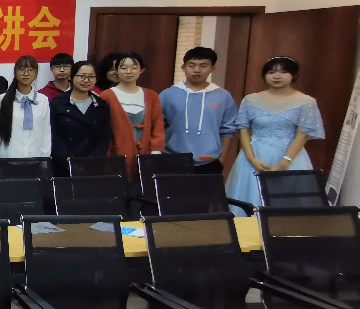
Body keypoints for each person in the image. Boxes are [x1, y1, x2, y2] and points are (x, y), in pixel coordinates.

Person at [226, 56, 325, 213]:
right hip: (254, 158)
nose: (277, 76)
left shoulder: (306, 102)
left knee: (289, 204)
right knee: (250, 201)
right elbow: (243, 130)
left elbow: (303, 135)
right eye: (271, 72)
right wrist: (252, 159)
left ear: (294, 75)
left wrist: (284, 163)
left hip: (290, 159)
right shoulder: (250, 100)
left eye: (283, 72)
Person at [160, 47, 239, 175]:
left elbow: (228, 130)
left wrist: (221, 160)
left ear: (212, 68)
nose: (197, 70)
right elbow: (157, 126)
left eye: (203, 66)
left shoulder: (223, 96)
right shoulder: (168, 94)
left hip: (209, 161)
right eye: (191, 65)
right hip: (172, 159)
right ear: (183, 67)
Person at [100, 52, 166, 179]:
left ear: (142, 70)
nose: (128, 71)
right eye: (123, 68)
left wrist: (155, 152)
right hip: (115, 158)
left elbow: (157, 126)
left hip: (146, 158)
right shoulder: (106, 96)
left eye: (134, 67)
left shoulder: (152, 96)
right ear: (116, 71)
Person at [50, 61, 113, 173]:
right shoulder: (57, 103)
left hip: (93, 167)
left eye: (91, 77)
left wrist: (90, 162)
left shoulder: (102, 106)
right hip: (63, 166)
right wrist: (68, 161)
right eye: (82, 76)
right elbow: (52, 135)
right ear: (72, 77)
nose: (86, 80)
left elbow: (105, 137)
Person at [0, 56, 52, 161]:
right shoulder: (2, 99)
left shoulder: (43, 100)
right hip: (9, 158)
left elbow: (46, 132)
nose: (26, 73)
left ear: (36, 73)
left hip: (35, 159)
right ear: (15, 72)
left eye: (30, 70)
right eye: (21, 69)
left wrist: (45, 158)